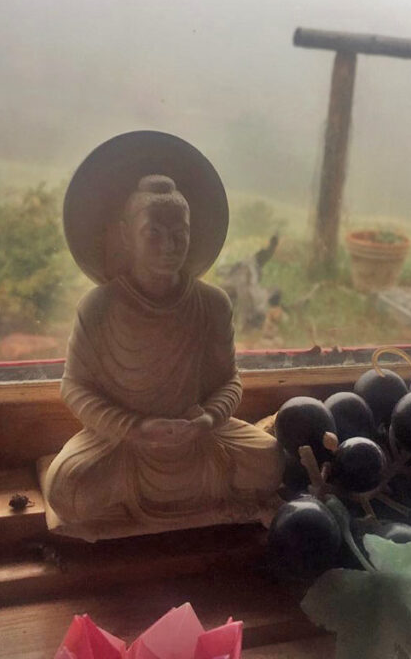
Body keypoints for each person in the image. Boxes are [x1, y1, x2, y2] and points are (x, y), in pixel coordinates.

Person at [41, 132, 283, 540]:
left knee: (272, 462)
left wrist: (208, 418)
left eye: (181, 233)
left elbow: (229, 381)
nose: (170, 246)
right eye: (154, 233)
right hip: (124, 446)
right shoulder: (99, 307)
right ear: (125, 234)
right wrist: (132, 428)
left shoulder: (212, 304)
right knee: (67, 489)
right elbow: (75, 387)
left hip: (199, 440)